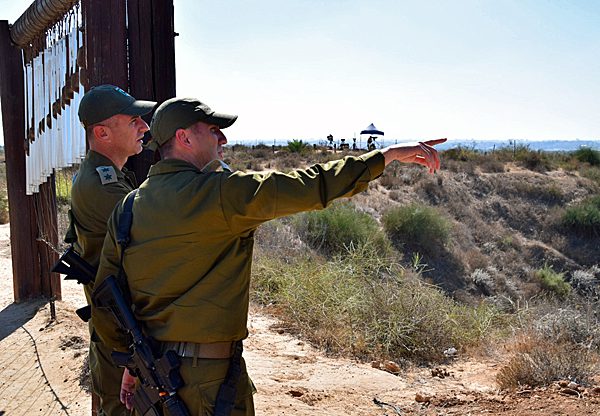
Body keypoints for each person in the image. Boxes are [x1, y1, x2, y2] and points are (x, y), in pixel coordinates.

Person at [91, 97, 445, 415]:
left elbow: (107, 296)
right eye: (214, 130)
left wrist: (132, 364)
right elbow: (310, 184)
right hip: (209, 382)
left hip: (153, 379)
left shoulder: (127, 208)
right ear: (184, 138)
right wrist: (386, 157)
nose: (223, 140)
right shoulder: (222, 194)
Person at [66, 84, 156, 415]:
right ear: (102, 132)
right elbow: (155, 235)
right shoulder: (100, 185)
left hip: (118, 324)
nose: (144, 127)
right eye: (133, 120)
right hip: (120, 331)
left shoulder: (108, 176)